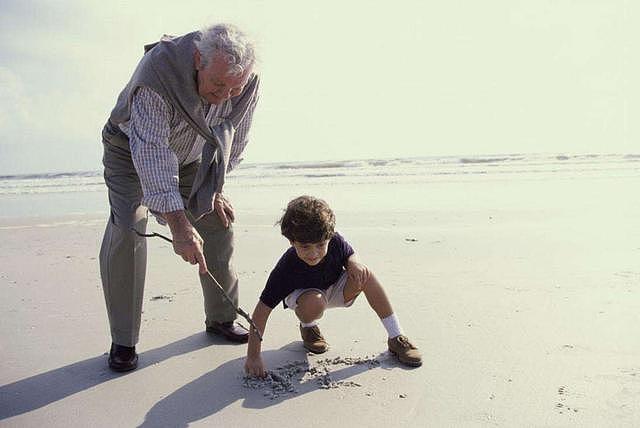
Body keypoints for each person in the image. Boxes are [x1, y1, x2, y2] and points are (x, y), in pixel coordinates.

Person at [99, 23, 260, 372]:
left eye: (236, 87)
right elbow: (152, 153)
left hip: (192, 154)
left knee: (217, 219)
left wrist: (214, 188)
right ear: (199, 60)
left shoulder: (242, 83)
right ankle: (123, 340)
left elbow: (234, 136)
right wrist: (178, 224)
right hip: (130, 149)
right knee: (131, 228)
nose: (225, 96)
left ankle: (221, 318)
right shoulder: (157, 74)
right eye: (218, 85)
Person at [244, 196, 422, 377]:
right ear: (291, 241)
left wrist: (354, 263)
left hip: (335, 286)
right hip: (305, 297)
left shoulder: (335, 241)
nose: (314, 254)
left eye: (321, 245)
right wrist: (253, 356)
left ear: (330, 236)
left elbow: (350, 255)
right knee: (315, 302)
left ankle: (396, 337)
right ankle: (308, 327)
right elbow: (261, 310)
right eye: (305, 247)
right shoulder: (286, 268)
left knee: (365, 274)